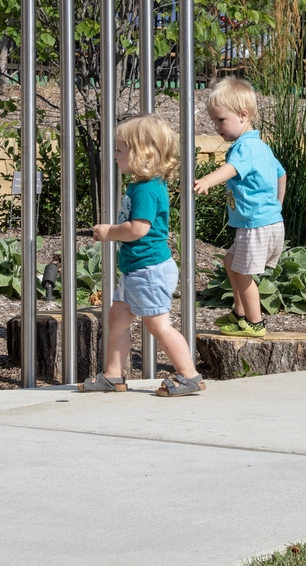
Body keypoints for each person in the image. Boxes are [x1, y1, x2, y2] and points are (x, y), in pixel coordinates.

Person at [79, 113, 206, 397]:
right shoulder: (140, 186)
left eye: (119, 150)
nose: (114, 155)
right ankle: (113, 375)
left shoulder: (147, 190)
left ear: (141, 155)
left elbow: (138, 229)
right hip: (137, 271)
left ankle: (189, 375)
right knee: (117, 319)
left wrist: (109, 231)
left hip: (149, 271)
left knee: (158, 324)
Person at [193, 77, 285, 338]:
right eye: (214, 121)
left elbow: (232, 169)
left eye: (221, 120)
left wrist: (208, 180)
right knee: (231, 261)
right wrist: (277, 207)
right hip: (265, 222)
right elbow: (282, 174)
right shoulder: (262, 147)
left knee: (243, 274)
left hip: (256, 225)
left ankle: (255, 323)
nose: (217, 127)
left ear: (243, 115)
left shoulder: (244, 147)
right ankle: (239, 312)